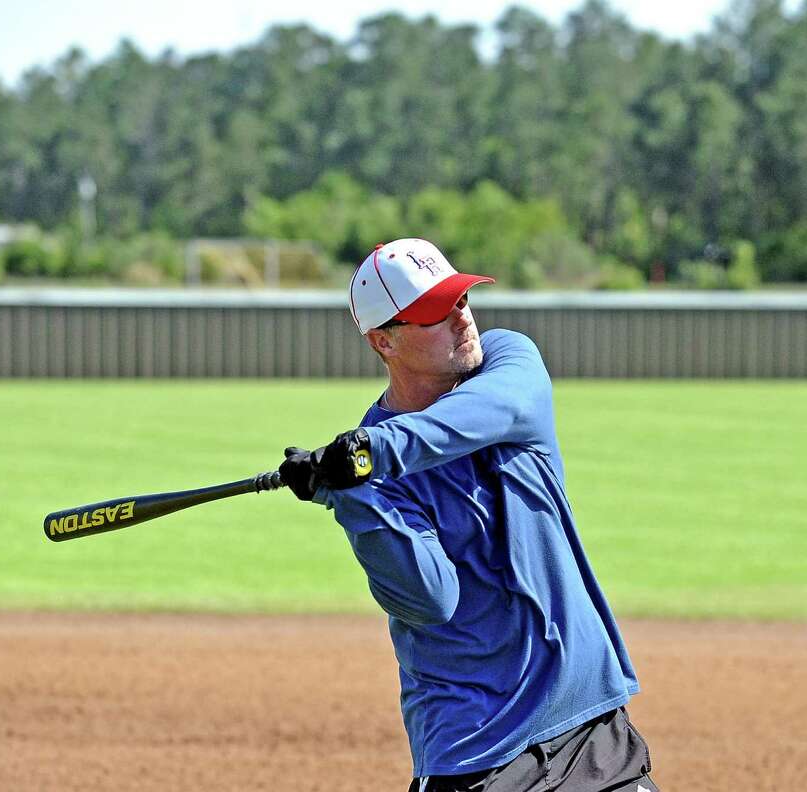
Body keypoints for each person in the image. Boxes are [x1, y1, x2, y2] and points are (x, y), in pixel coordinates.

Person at [280, 238, 659, 791]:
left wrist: (372, 453)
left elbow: (480, 416)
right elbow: (431, 600)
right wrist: (351, 495)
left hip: (588, 723)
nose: (462, 318)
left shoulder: (509, 363)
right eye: (437, 311)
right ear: (383, 340)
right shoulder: (371, 476)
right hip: (477, 750)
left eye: (461, 298)